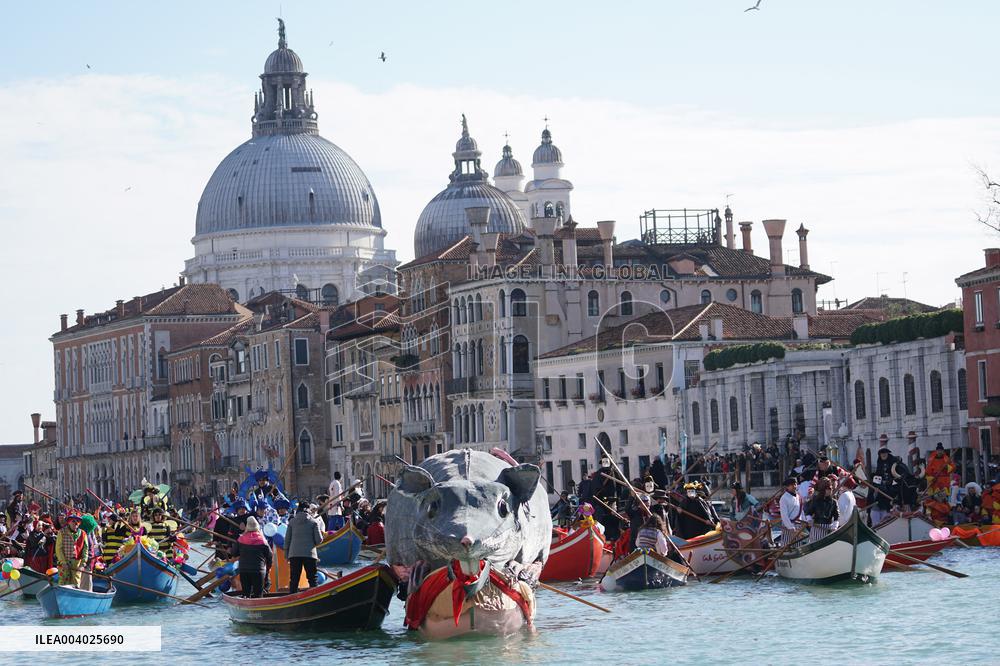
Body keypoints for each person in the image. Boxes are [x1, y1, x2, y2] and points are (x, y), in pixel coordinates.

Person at [284, 500, 323, 594]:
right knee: (312, 579)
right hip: (310, 554)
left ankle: (292, 599)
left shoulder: (292, 522)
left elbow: (287, 540)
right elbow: (319, 540)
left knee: (294, 579)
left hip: (294, 554)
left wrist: (286, 555)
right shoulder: (313, 522)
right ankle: (315, 598)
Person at [234, 516, 272, 598]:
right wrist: (268, 568)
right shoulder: (262, 540)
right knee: (258, 595)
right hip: (258, 570)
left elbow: (234, 552)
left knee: (246, 594)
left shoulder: (241, 539)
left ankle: (247, 609)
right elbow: (269, 555)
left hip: (244, 570)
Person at [55, 512, 90, 588]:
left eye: (77, 521)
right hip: (64, 563)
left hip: (77, 564)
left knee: (76, 584)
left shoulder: (83, 534)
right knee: (63, 583)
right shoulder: (62, 532)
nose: (76, 523)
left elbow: (85, 550)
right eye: (73, 521)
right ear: (69, 522)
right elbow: (58, 549)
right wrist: (63, 562)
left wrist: (83, 564)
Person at [804, 477, 840, 543]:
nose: (831, 490)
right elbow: (808, 512)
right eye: (828, 488)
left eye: (831, 488)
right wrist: (809, 520)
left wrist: (835, 526)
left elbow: (836, 516)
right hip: (816, 529)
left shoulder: (834, 502)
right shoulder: (815, 500)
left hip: (828, 529)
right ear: (823, 489)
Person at [869, 446, 897, 526]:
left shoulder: (893, 461)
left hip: (890, 489)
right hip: (880, 491)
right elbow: (878, 475)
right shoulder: (879, 463)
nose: (884, 455)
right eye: (882, 453)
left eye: (885, 453)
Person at [779, 477, 802, 545]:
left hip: (798, 525)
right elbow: (784, 516)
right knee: (787, 545)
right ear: (787, 487)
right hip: (788, 526)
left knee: (798, 545)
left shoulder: (798, 496)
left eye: (795, 484)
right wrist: (790, 527)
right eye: (792, 485)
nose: (794, 486)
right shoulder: (784, 498)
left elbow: (801, 511)